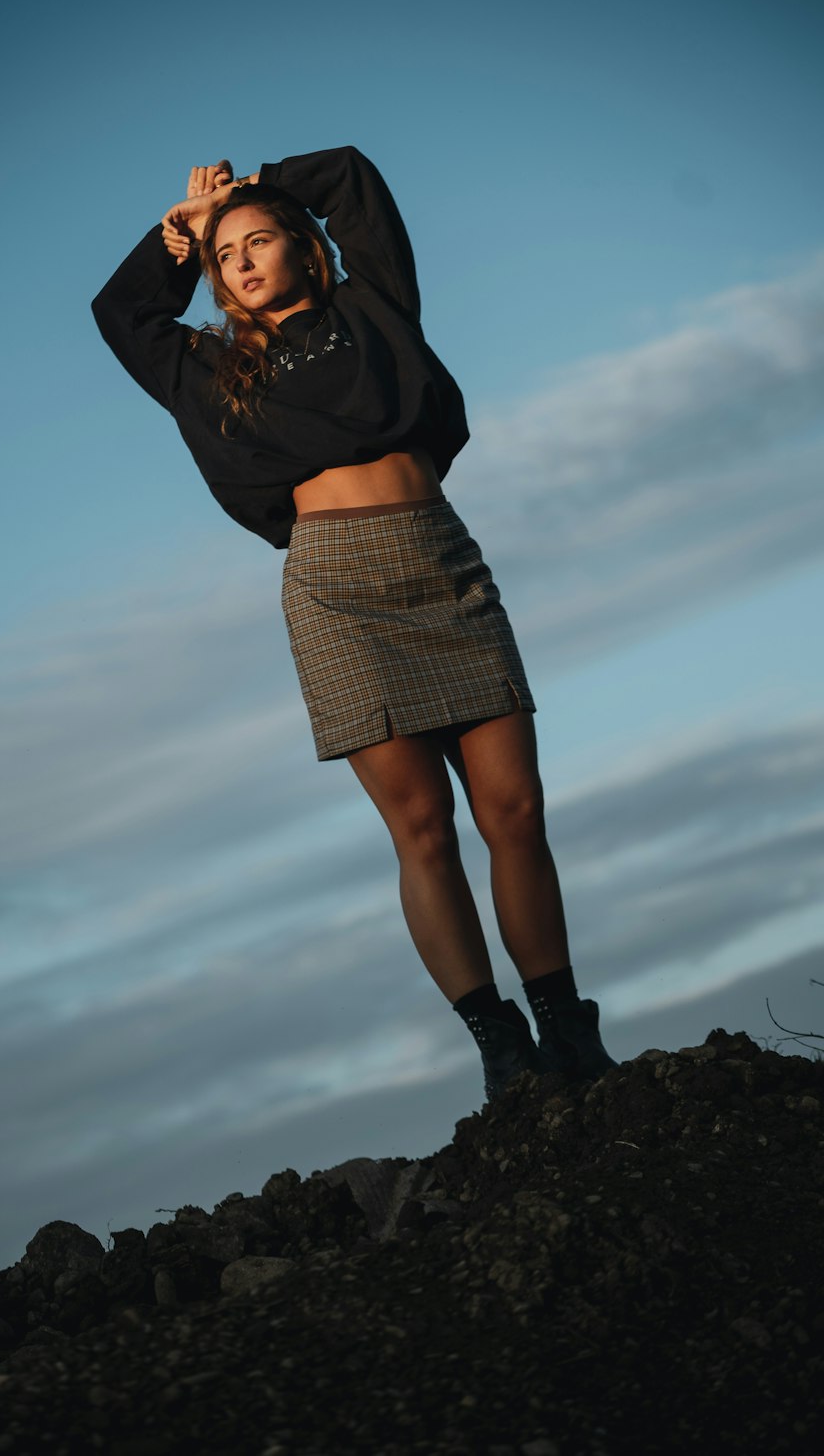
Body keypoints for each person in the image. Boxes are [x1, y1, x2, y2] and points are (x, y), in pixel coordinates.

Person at [91, 146, 616, 1103]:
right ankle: (501, 1048)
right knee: (422, 826)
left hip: (442, 564)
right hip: (333, 590)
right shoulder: (204, 367)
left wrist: (246, 189)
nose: (243, 261)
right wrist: (181, 231)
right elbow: (121, 314)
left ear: (301, 246)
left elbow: (354, 180)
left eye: (259, 242)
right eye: (226, 256)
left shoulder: (374, 307)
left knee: (516, 810)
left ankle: (568, 1029)